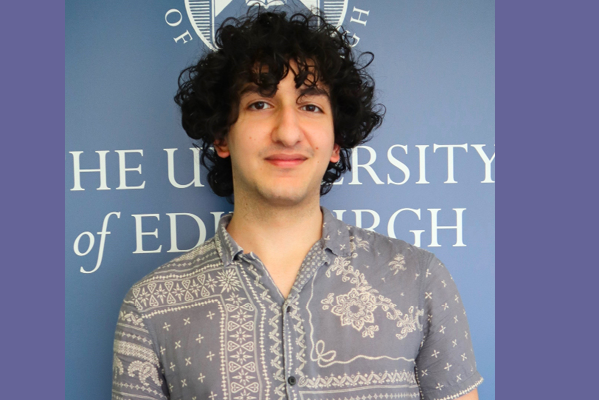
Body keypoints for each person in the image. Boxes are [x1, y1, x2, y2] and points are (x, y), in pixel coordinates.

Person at [113, 10, 482, 400]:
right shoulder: (150, 308)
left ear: (336, 142)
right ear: (222, 135)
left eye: (310, 107)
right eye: (260, 104)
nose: (288, 132)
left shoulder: (419, 280)